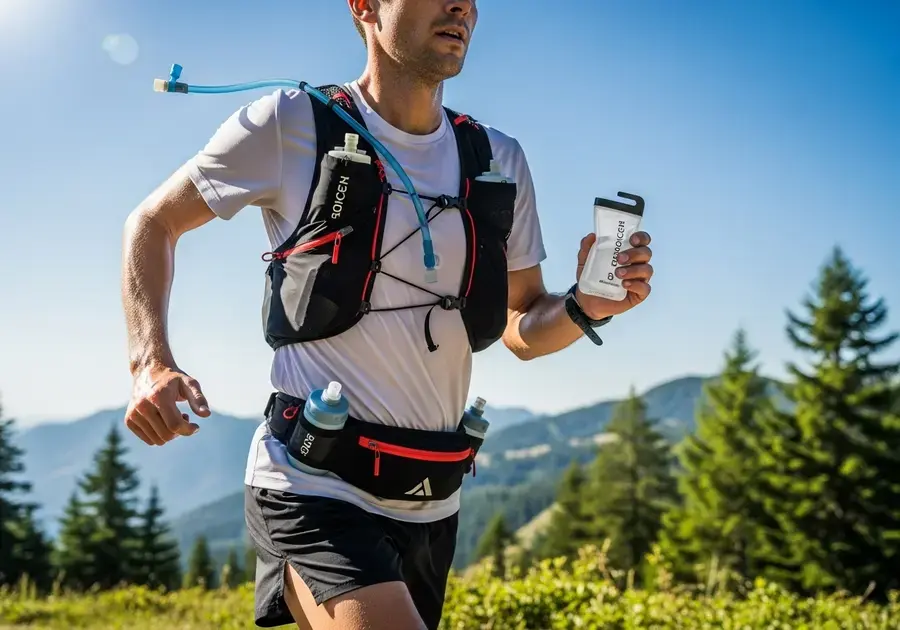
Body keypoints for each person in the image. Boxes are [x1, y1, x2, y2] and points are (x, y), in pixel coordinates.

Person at [119, 1, 655, 628]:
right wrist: (149, 362)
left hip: (433, 500)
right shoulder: (291, 122)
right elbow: (152, 222)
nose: (462, 6)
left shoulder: (497, 158)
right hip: (312, 482)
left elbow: (522, 328)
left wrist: (584, 305)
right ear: (365, 6)